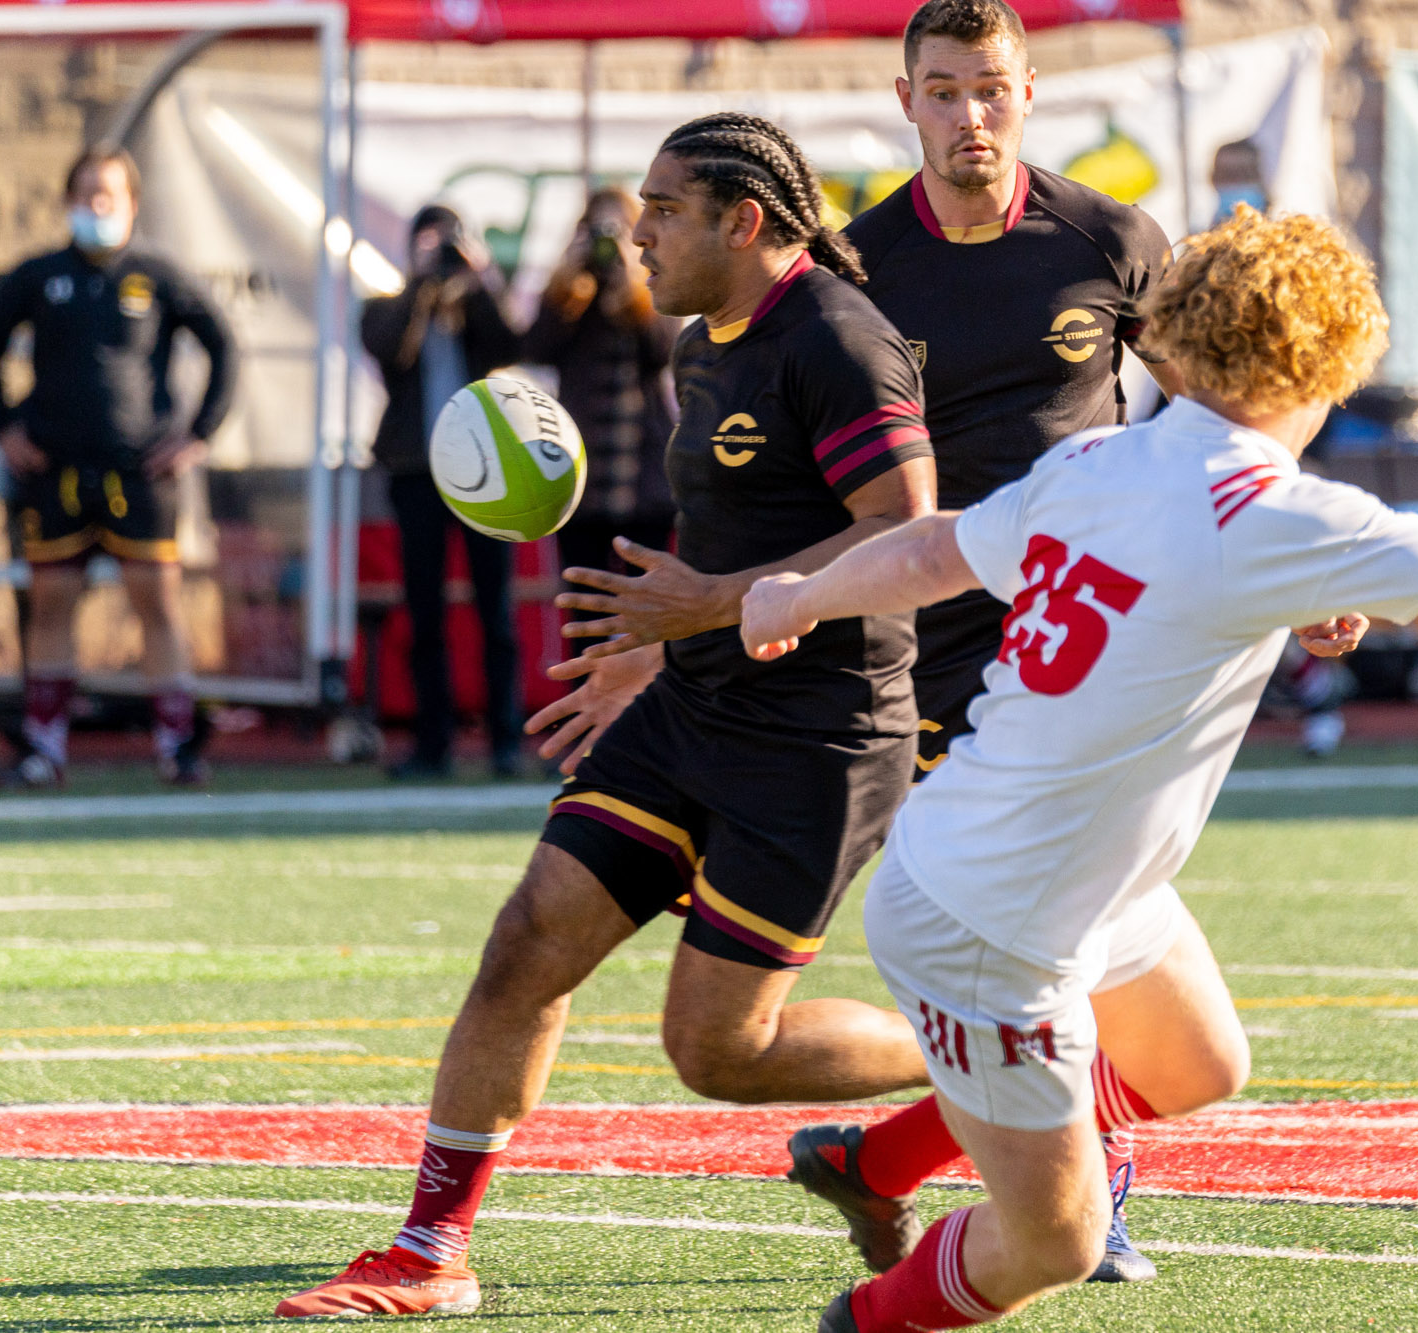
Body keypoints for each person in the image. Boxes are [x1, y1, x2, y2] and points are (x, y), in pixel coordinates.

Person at [739, 207, 1418, 1332]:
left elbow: (937, 547)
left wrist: (799, 593)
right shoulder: (1268, 507)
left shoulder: (1103, 459)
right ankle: (862, 1322)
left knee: (1196, 1061)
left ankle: (874, 1163)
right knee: (1056, 1240)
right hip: (986, 918)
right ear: (1328, 361)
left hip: (1062, 868)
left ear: (1182, 337)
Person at [275, 112, 939, 1320]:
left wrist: (711, 606)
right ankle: (430, 1251)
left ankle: (985, 1049)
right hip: (693, 706)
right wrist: (659, 643)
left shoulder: (838, 341)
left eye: (663, 209)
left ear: (744, 222)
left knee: (719, 1053)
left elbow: (909, 531)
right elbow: (732, 534)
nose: (636, 231)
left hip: (817, 741)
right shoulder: (703, 344)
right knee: (528, 938)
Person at [825, 0, 1185, 1280]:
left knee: (1071, 917)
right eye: (942, 90)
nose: (968, 116)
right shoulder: (854, 267)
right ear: (904, 100)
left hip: (1090, 628)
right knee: (1035, 926)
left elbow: (1215, 421)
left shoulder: (1109, 240)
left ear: (1028, 90)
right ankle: (944, 1173)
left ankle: (970, 1176)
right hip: (923, 637)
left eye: (989, 88)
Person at [0, 146, 235, 788]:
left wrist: (196, 434)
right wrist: (3, 427)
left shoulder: (156, 275)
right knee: (54, 599)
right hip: (56, 469)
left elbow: (223, 344)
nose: (97, 204)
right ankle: (44, 748)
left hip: (140, 473)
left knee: (158, 602)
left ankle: (176, 744)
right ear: (67, 201)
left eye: (108, 193)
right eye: (86, 192)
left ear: (131, 203)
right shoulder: (40, 275)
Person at [362, 204, 525, 779]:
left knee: (495, 610)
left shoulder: (476, 302)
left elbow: (509, 344)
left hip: (487, 471)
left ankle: (506, 740)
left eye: (449, 241)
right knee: (424, 612)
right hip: (416, 472)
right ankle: (433, 744)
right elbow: (392, 352)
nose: (440, 251)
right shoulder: (387, 305)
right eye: (428, 241)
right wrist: (423, 287)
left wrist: (478, 279)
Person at [523, 186, 681, 598]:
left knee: (644, 608)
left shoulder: (655, 285)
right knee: (585, 605)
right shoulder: (570, 292)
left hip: (642, 475)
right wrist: (567, 284)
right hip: (582, 476)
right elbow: (535, 348)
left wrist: (632, 281)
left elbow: (664, 352)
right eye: (598, 230)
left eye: (618, 230)